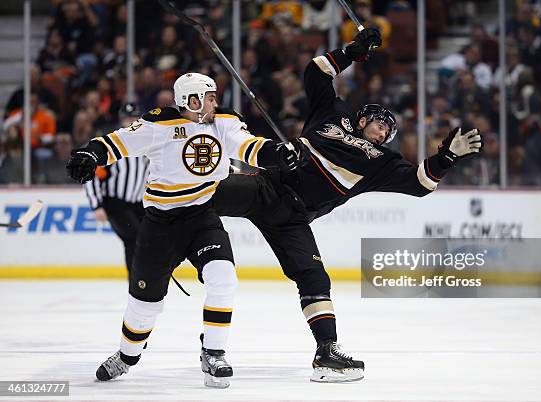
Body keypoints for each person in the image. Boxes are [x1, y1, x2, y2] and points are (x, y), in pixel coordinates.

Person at [211, 28, 482, 383]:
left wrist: (446, 156)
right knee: (203, 192)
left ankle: (326, 352)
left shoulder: (381, 161)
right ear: (363, 118)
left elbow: (421, 184)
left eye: (389, 131)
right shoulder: (332, 113)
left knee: (314, 276)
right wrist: (352, 52)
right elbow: (316, 71)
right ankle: (156, 225)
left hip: (292, 217)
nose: (383, 132)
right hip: (266, 184)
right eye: (380, 123)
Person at [66, 72, 307, 388]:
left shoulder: (224, 121)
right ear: (191, 100)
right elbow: (115, 143)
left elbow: (249, 146)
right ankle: (126, 356)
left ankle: (214, 352)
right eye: (209, 97)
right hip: (159, 225)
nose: (214, 102)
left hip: (201, 217)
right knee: (144, 305)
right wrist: (89, 153)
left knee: (224, 277)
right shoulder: (158, 125)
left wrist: (278, 154)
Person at [83, 103, 148, 272]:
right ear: (121, 120)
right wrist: (96, 205)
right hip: (115, 203)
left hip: (139, 204)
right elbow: (91, 174)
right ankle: (136, 283)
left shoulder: (147, 143)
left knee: (146, 239)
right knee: (134, 238)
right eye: (127, 118)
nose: (131, 122)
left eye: (134, 118)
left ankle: (143, 281)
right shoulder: (111, 144)